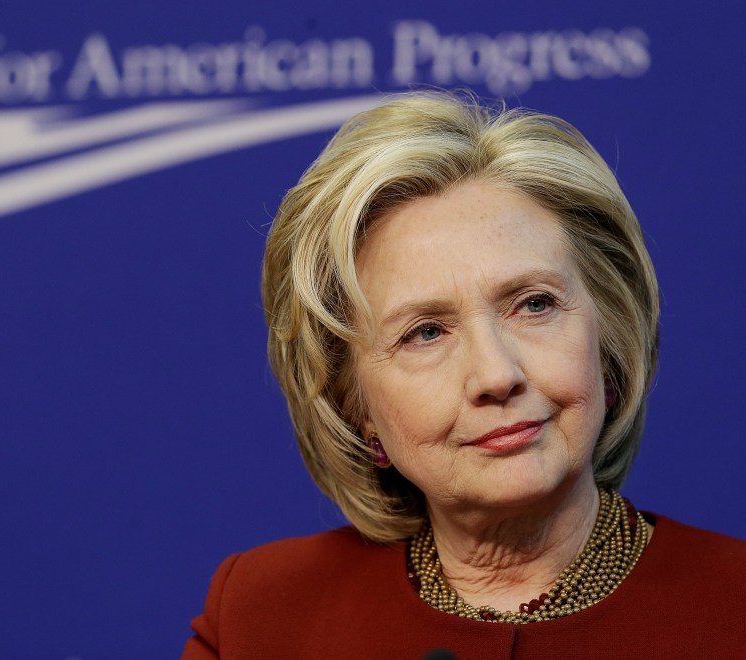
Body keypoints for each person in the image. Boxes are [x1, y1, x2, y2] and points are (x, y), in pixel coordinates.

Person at [182, 91, 746, 659]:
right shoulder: (260, 617)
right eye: (425, 332)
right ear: (357, 408)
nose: (496, 375)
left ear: (610, 341)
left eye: (533, 304)